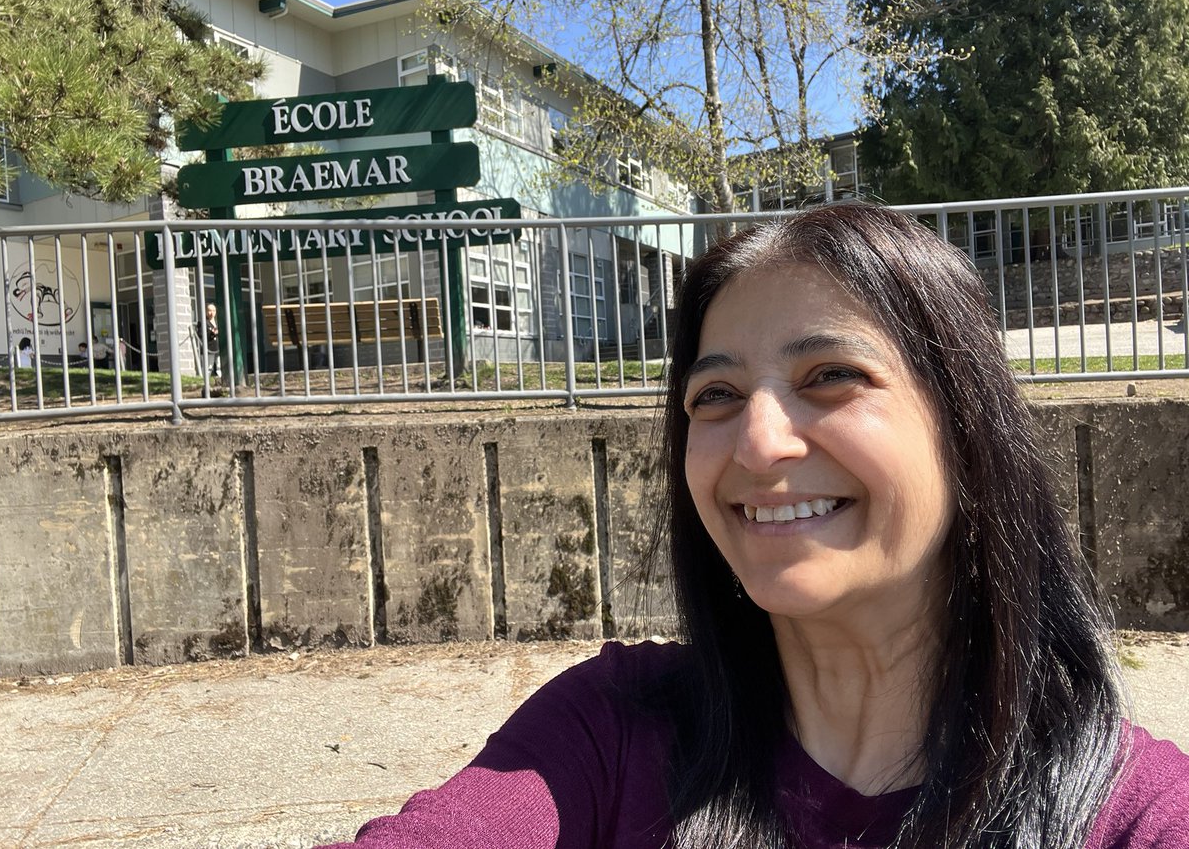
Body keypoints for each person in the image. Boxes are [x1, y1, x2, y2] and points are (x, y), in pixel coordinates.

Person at [319, 204, 1189, 849]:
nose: (758, 443)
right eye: (717, 396)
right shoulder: (611, 732)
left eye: (830, 375)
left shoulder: (1132, 813)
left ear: (968, 432)